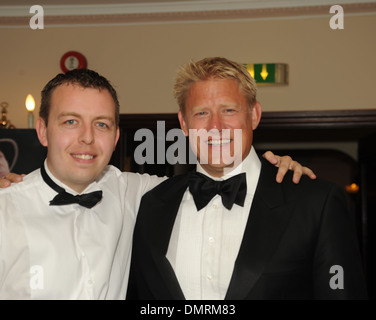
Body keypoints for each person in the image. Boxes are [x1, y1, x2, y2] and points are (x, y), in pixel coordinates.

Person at [0, 68, 313, 300]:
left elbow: (218, 179)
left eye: (101, 124)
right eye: (70, 121)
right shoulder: (5, 209)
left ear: (116, 137)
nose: (87, 137)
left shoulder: (139, 193)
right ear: (42, 131)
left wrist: (274, 170)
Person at [126, 57, 368, 300]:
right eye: (201, 113)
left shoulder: (316, 203)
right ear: (184, 123)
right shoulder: (150, 205)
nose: (216, 126)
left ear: (254, 115)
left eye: (229, 110)